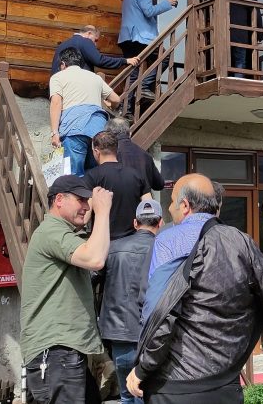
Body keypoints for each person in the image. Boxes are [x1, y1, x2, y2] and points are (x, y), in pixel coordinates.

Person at [126, 173, 263, 403]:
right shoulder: (239, 240)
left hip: (175, 384)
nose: (169, 208)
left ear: (185, 205)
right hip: (225, 381)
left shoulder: (166, 241)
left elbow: (160, 315)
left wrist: (142, 369)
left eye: (171, 202)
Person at [19, 176, 113, 404]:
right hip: (55, 353)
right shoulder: (51, 231)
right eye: (80, 199)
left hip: (62, 354)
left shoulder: (65, 233)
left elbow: (92, 248)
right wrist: (102, 213)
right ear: (59, 200)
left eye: (88, 201)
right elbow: (95, 258)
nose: (86, 206)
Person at [100, 200, 161, 404]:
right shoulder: (164, 249)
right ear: (160, 223)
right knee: (149, 395)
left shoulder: (113, 248)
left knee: (127, 395)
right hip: (152, 336)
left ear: (135, 223)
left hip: (120, 335)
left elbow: (91, 277)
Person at [50, 47, 121, 175]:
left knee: (73, 174)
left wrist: (55, 132)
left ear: (63, 64)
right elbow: (116, 99)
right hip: (98, 129)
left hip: (74, 127)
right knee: (95, 174)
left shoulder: (58, 77)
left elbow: (56, 103)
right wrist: (110, 105)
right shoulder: (95, 77)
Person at [118, 0, 178, 106]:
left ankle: (125, 108)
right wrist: (168, 3)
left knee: (132, 74)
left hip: (127, 38)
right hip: (140, 37)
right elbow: (149, 11)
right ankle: (144, 87)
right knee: (165, 58)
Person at [82, 131, 151, 240]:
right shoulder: (137, 175)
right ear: (116, 150)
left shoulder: (91, 177)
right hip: (133, 241)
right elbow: (149, 208)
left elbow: (85, 217)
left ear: (96, 151)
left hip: (104, 243)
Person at [50, 25, 139, 76]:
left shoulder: (64, 44)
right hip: (74, 89)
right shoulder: (85, 41)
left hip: (57, 87)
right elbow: (99, 60)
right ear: (89, 33)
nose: (95, 44)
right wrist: (125, 60)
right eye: (95, 40)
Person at [106, 117, 164, 192]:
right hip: (141, 201)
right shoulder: (145, 155)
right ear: (130, 133)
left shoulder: (108, 154)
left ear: (108, 134)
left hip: (115, 201)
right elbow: (159, 184)